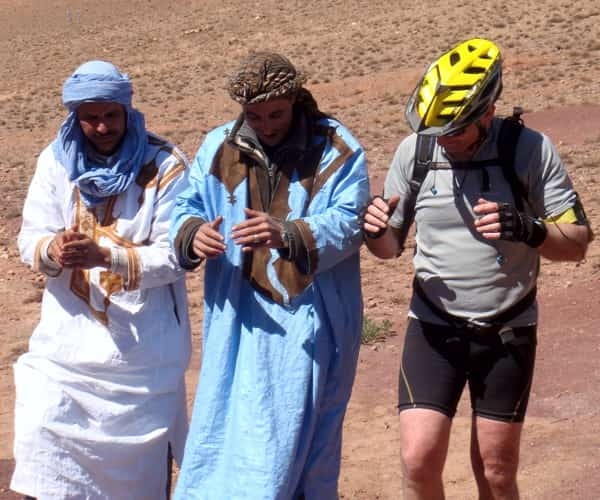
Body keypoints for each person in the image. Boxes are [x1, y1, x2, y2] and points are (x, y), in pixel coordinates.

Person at [362, 38, 592, 499]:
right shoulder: (417, 152)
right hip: (433, 327)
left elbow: (579, 245)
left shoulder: (528, 150)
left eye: (454, 129)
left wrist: (528, 229)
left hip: (506, 330)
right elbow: (389, 248)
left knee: (496, 471)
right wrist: (374, 230)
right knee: (418, 459)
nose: (441, 139)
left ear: (487, 111)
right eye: (434, 128)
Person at [170, 51, 369, 499]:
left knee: (297, 443)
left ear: (296, 99)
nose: (266, 124)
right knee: (228, 434)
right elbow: (185, 206)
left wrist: (290, 232)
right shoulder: (219, 145)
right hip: (237, 321)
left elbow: (352, 219)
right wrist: (193, 233)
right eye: (254, 115)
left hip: (309, 323)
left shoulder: (335, 147)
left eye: (275, 113)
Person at [11, 60, 191, 499]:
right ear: (75, 115)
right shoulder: (55, 161)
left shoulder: (164, 165)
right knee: (43, 435)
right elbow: (29, 236)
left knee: (141, 477)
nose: (102, 126)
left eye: (111, 114)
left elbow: (176, 254)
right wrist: (52, 250)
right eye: (90, 116)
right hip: (66, 351)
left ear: (127, 110)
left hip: (143, 356)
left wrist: (104, 256)